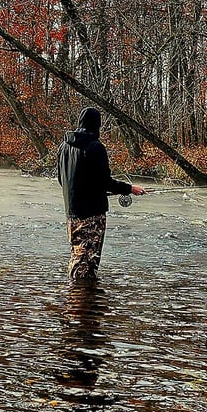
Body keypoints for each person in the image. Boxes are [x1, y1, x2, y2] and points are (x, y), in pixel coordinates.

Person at [56, 107, 146, 282]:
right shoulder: (95, 147)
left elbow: (62, 179)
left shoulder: (63, 147)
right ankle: (82, 301)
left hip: (71, 214)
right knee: (87, 263)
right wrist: (130, 188)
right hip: (92, 216)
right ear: (96, 125)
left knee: (77, 256)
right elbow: (105, 182)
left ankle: (74, 302)